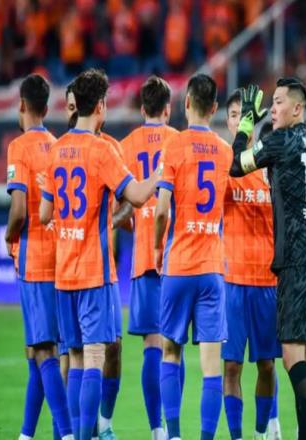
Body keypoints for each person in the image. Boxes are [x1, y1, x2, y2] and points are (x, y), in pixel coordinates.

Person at [39, 68, 159, 440]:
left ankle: (73, 434)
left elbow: (44, 214)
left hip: (64, 273)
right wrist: (161, 173)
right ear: (102, 106)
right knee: (93, 357)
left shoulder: (56, 148)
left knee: (74, 358)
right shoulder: (102, 150)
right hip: (94, 271)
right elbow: (136, 196)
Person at [229, 78, 306, 439]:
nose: (272, 109)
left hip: (295, 260)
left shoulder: (280, 140)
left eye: (278, 102)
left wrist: (246, 125)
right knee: (303, 357)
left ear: (297, 108)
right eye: (271, 103)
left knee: (290, 357)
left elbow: (237, 165)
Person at [154, 73, 232, 440]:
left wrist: (158, 247)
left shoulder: (173, 145)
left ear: (186, 103)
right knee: (212, 368)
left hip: (179, 264)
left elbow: (161, 210)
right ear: (215, 108)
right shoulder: (225, 151)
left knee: (170, 352)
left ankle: (173, 435)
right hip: (212, 267)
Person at [5, 74, 73, 440]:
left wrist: (7, 236)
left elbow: (18, 210)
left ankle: (66, 433)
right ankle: (26, 434)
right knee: (39, 350)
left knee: (44, 351)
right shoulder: (58, 146)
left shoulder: (18, 147)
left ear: (21, 105)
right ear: (47, 109)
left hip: (33, 261)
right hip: (60, 258)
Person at [65, 81, 125, 440]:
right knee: (85, 355)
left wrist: (111, 222)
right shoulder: (78, 149)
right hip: (87, 271)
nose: (71, 111)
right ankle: (78, 431)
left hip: (100, 268)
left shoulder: (110, 149)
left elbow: (125, 201)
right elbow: (136, 194)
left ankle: (100, 424)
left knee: (105, 349)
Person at [120, 75, 179, 440]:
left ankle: (156, 428)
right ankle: (174, 429)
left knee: (151, 346)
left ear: (142, 109)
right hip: (179, 256)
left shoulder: (125, 146)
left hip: (144, 256)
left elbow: (121, 203)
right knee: (174, 347)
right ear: (168, 109)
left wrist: (131, 223)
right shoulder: (179, 141)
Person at [222, 92, 282, 440]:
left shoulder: (269, 163)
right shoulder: (223, 166)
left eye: (242, 115)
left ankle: (261, 432)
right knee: (231, 366)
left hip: (267, 282)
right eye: (233, 115)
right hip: (232, 281)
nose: (237, 120)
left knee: (267, 365)